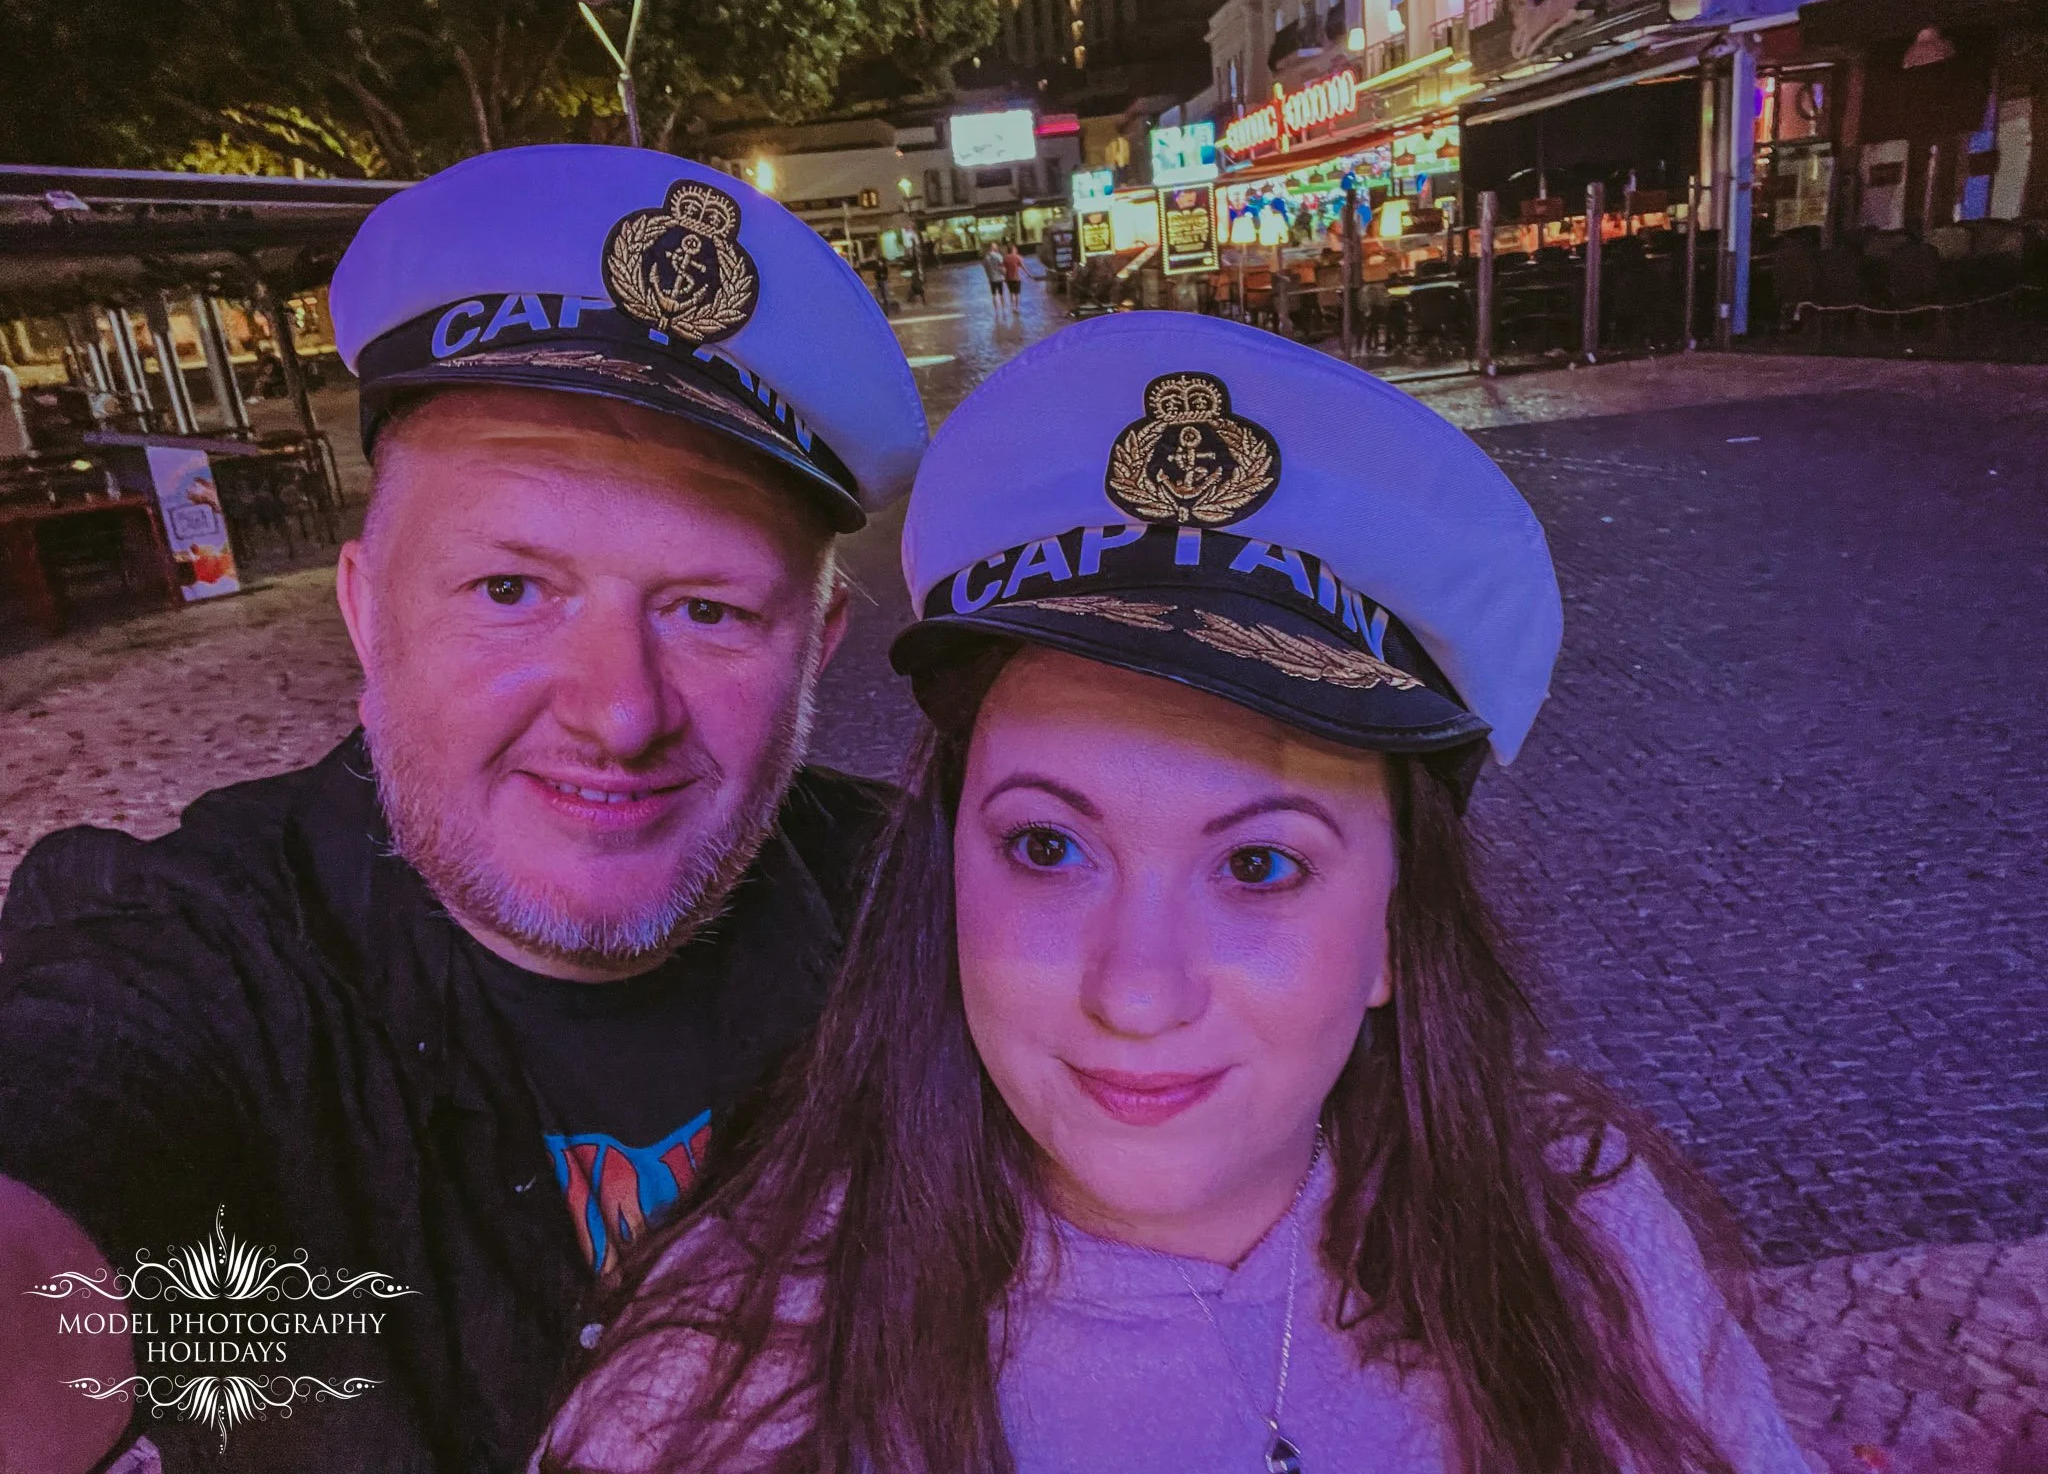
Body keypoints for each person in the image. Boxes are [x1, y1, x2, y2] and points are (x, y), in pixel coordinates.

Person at [536, 313, 1808, 1474]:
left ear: (1392, 931)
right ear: (946, 878)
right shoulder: (717, 1397)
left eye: (1257, 865)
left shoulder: (1582, 1234)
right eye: (1047, 848)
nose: (1135, 995)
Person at [0, 145, 927, 1474]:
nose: (619, 714)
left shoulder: (918, 910)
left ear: (817, 649)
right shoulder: (199, 955)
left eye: (708, 610)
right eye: (510, 589)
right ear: (367, 612)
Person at [983, 242, 1006, 314]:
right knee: (1001, 294)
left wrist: (988, 276)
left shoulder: (986, 257)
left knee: (993, 294)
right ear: (993, 247)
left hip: (991, 278)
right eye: (996, 246)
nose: (997, 247)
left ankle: (996, 310)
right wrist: (1004, 275)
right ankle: (1003, 309)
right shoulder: (998, 256)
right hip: (999, 278)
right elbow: (1002, 266)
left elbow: (985, 268)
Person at [1002, 241, 1025, 313]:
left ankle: (1013, 307)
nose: (1016, 250)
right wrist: (1029, 274)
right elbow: (1023, 267)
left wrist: (1004, 277)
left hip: (1009, 279)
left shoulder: (1005, 258)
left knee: (1011, 293)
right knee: (1017, 294)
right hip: (1016, 278)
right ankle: (1017, 308)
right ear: (1013, 249)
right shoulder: (1018, 257)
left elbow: (1004, 269)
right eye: (1015, 249)